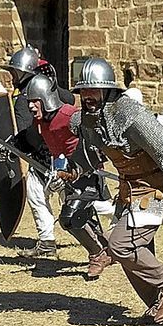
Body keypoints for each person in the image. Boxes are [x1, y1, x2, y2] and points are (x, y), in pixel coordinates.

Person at [71, 57, 163, 324]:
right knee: (134, 255)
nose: (87, 96)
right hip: (129, 191)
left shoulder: (131, 115)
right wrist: (74, 169)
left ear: (108, 91)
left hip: (154, 191)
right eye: (83, 91)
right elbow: (89, 153)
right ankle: (156, 304)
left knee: (121, 246)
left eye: (93, 90)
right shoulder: (88, 119)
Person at [25, 74, 112, 278]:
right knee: (84, 215)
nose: (31, 107)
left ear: (46, 99)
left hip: (88, 172)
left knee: (70, 218)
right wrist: (58, 172)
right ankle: (110, 249)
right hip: (69, 174)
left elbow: (94, 134)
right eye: (29, 102)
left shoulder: (69, 115)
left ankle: (97, 255)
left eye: (34, 102)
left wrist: (84, 164)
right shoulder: (42, 123)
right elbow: (58, 152)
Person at [1, 47, 75, 258]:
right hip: (40, 155)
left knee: (78, 198)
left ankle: (108, 230)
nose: (13, 77)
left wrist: (20, 143)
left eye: (15, 72)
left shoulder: (39, 90)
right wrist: (17, 144)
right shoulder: (29, 92)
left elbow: (66, 100)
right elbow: (32, 131)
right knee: (36, 194)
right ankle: (46, 241)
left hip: (57, 156)